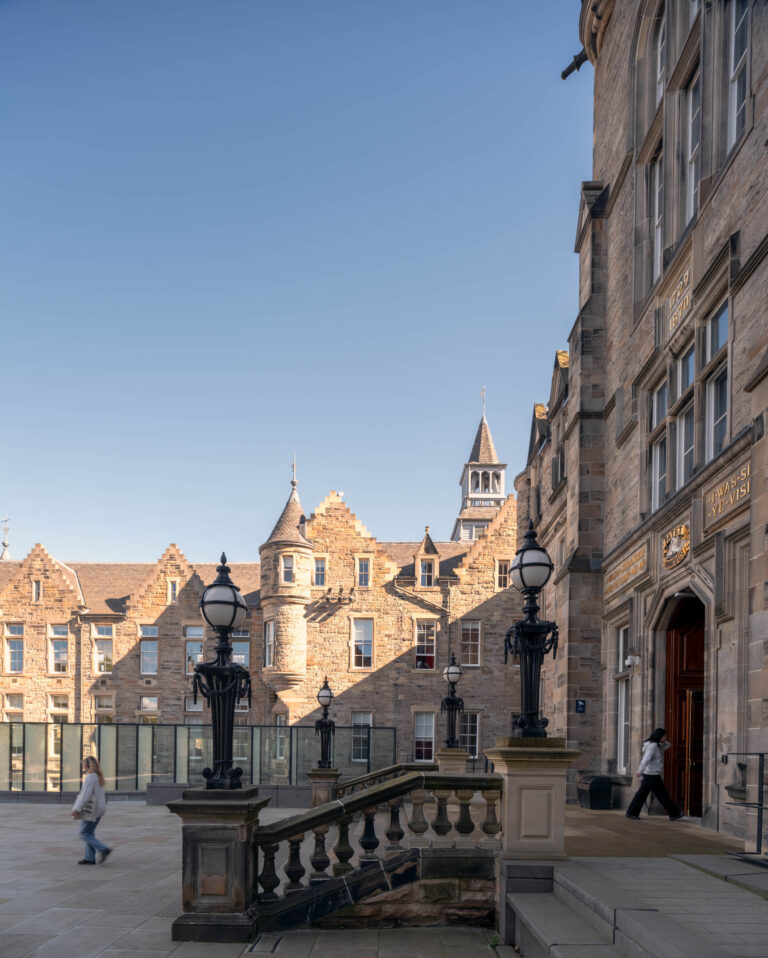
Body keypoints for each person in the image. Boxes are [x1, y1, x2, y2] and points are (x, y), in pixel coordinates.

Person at [625, 727, 683, 821]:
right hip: (652, 775)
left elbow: (668, 745)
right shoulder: (653, 746)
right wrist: (639, 771)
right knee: (662, 794)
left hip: (650, 774)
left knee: (642, 794)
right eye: (664, 736)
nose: (666, 738)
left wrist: (663, 741)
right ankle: (674, 813)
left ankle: (631, 812)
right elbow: (646, 759)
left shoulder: (656, 746)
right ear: (659, 736)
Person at [71, 756, 111, 864]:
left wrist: (77, 808)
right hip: (99, 809)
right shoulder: (98, 776)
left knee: (83, 833)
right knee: (90, 833)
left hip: (92, 810)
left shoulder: (90, 777)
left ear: (88, 765)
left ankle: (103, 849)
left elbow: (85, 795)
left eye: (83, 764)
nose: (82, 766)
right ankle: (89, 858)